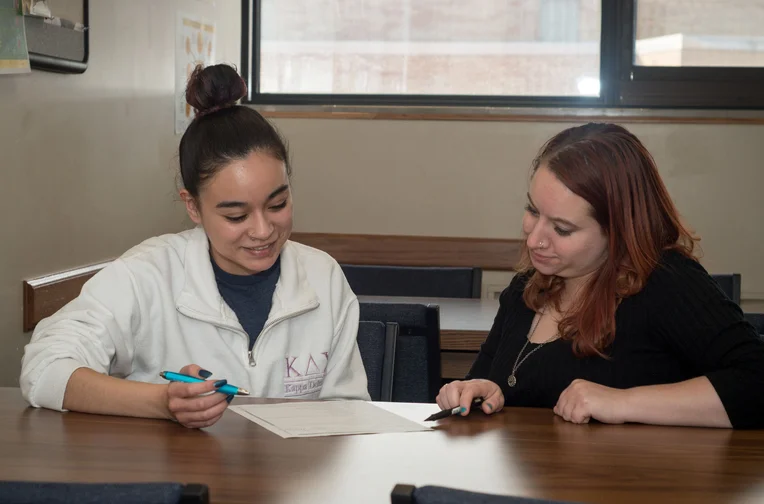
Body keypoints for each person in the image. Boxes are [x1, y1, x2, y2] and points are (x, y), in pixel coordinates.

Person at [20, 64, 370, 428]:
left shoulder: (322, 277)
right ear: (193, 207)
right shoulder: (147, 275)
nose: (263, 230)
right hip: (176, 481)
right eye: (236, 216)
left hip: (296, 481)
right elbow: (44, 369)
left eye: (278, 205)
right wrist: (161, 402)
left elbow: (351, 412)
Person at [436, 123, 764, 429]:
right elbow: (485, 384)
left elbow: (755, 379)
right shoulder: (526, 286)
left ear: (618, 232)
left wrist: (623, 402)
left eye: (562, 229)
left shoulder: (666, 281)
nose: (535, 239)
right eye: (533, 211)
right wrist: (477, 390)